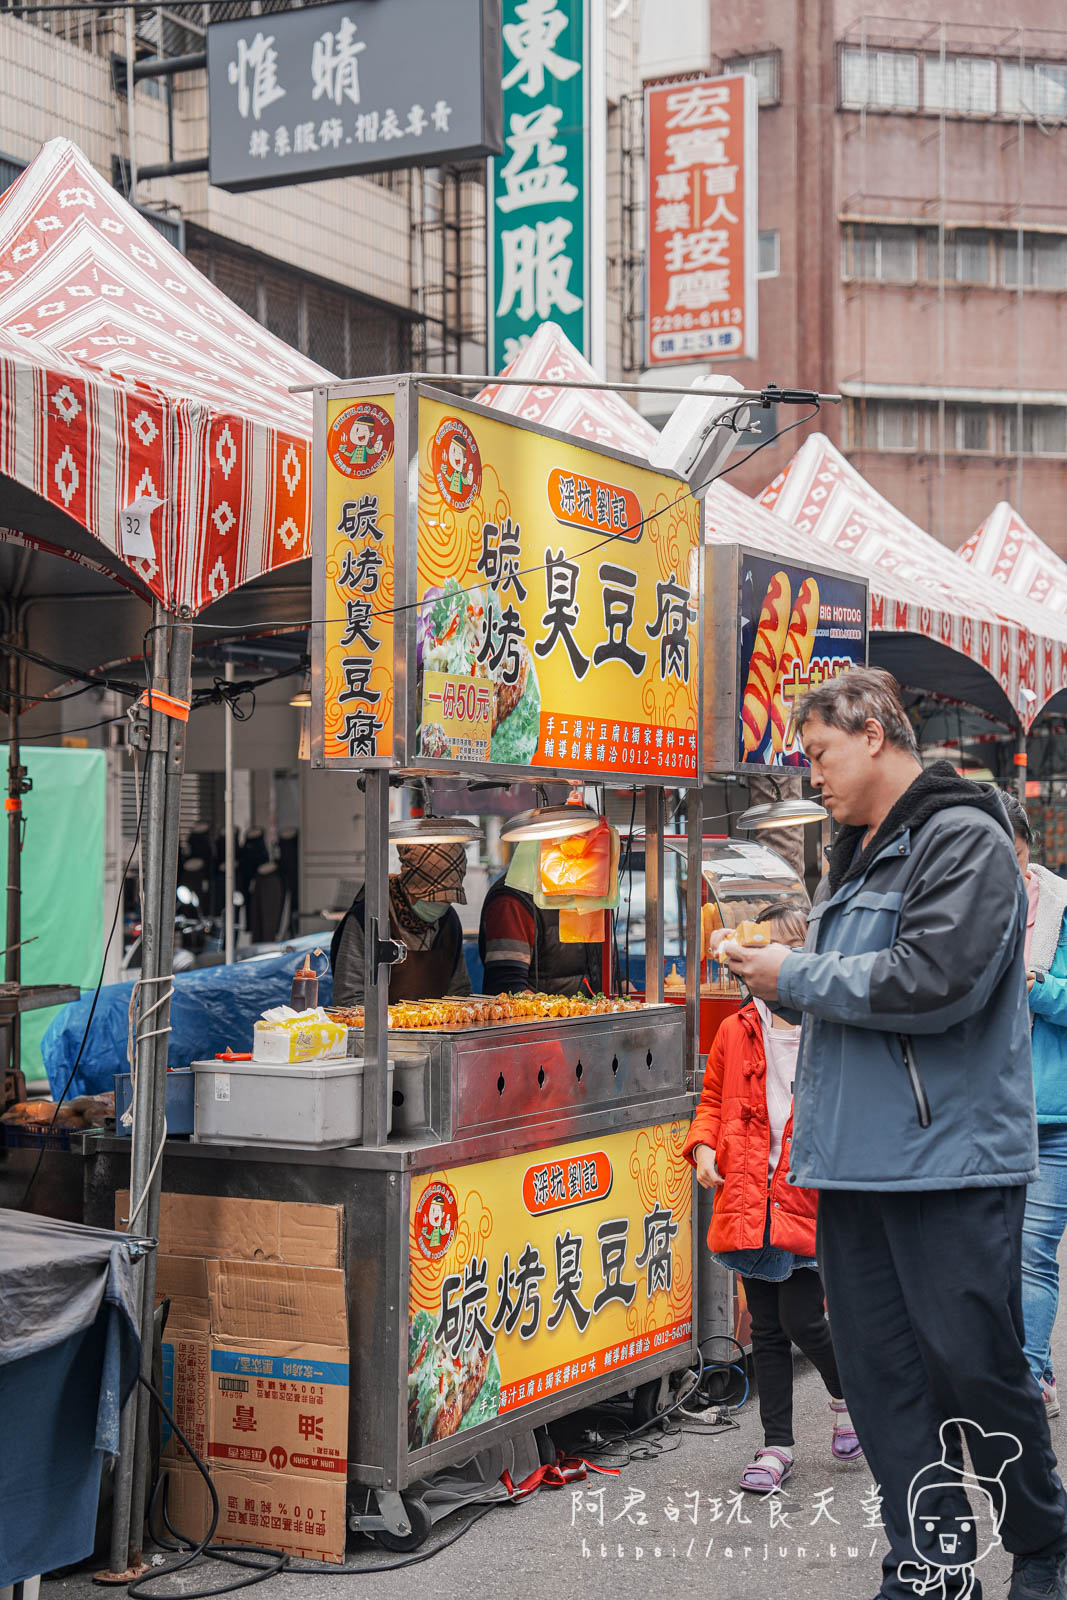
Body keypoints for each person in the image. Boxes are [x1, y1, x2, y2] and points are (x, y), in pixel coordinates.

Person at [722, 666, 1067, 1600]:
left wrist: (791, 976)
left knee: (975, 1370)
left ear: (874, 730)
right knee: (879, 1383)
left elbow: (931, 981)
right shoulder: (853, 849)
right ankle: (927, 1564)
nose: (813, 776)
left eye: (820, 753)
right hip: (854, 1160)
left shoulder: (963, 837)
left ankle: (1042, 1542)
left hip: (947, 1159)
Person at [688, 899, 861, 1493]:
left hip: (807, 1195)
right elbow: (711, 1101)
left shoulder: (830, 1027)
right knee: (764, 1327)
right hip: (746, 1196)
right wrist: (704, 1148)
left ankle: (848, 1397)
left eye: (789, 950)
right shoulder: (738, 1027)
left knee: (804, 1320)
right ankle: (776, 1446)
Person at [1003, 793, 1067, 1421]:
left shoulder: (1062, 912)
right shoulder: (965, 907)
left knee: (1033, 1251)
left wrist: (1041, 988)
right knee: (985, 1253)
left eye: (1016, 857)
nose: (1010, 872)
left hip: (1051, 1118)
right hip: (981, 1113)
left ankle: (1030, 1376)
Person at [331, 841, 471, 1005]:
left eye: (447, 899)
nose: (440, 905)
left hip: (440, 1029)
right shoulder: (369, 919)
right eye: (432, 898)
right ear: (411, 886)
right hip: (378, 1030)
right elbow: (349, 1000)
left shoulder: (449, 923)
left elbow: (460, 993)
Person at [478, 876, 603, 996]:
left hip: (591, 1017)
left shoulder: (587, 889)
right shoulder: (511, 902)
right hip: (541, 1018)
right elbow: (506, 989)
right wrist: (565, 1010)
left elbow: (606, 972)